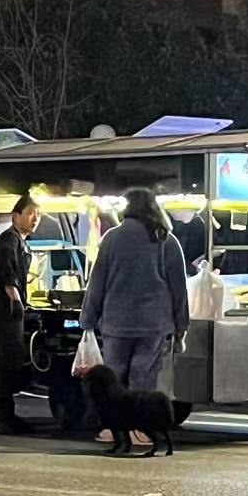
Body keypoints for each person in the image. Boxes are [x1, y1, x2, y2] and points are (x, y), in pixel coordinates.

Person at [79, 187, 190, 440]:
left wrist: (87, 320)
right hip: (154, 325)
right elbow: (179, 288)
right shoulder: (166, 240)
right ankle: (140, 430)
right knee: (144, 380)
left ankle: (115, 430)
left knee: (114, 380)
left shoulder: (111, 238)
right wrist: (181, 325)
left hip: (116, 324)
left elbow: (97, 282)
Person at [0, 194, 41, 435]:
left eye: (38, 215)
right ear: (15, 216)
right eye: (30, 214)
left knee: (11, 361)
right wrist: (16, 302)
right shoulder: (9, 240)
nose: (35, 219)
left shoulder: (19, 240)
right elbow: (8, 276)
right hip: (5, 310)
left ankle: (7, 414)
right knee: (4, 362)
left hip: (11, 310)